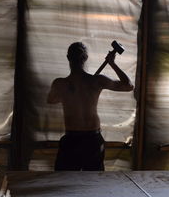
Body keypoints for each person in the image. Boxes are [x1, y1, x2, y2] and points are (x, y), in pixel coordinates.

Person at [47, 42, 134, 171]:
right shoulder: (96, 81)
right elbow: (128, 86)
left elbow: (51, 100)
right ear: (86, 58)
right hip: (91, 139)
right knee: (93, 182)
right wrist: (112, 63)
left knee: (64, 181)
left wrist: (69, 94)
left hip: (74, 138)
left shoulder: (60, 84)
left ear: (68, 57)